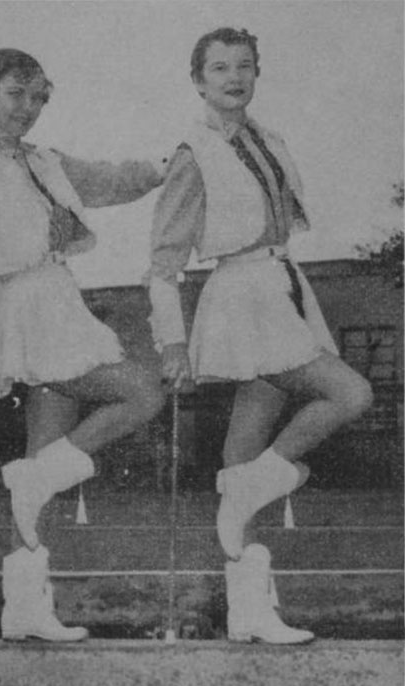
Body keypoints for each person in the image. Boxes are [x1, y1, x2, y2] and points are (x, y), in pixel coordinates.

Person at [147, 27, 372, 645]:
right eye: (218, 68)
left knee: (238, 461)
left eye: (243, 65)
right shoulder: (193, 152)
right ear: (198, 80)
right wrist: (171, 342)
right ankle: (251, 487)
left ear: (256, 74)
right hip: (243, 295)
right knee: (351, 395)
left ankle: (248, 614)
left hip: (283, 287)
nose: (233, 77)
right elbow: (163, 262)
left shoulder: (267, 140)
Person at [0, 48, 165, 641]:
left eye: (38, 96)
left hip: (62, 302)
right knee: (142, 392)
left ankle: (25, 611)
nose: (28, 107)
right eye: (16, 93)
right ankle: (37, 479)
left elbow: (112, 179)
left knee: (41, 471)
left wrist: (168, 166)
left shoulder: (48, 160)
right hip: (28, 310)